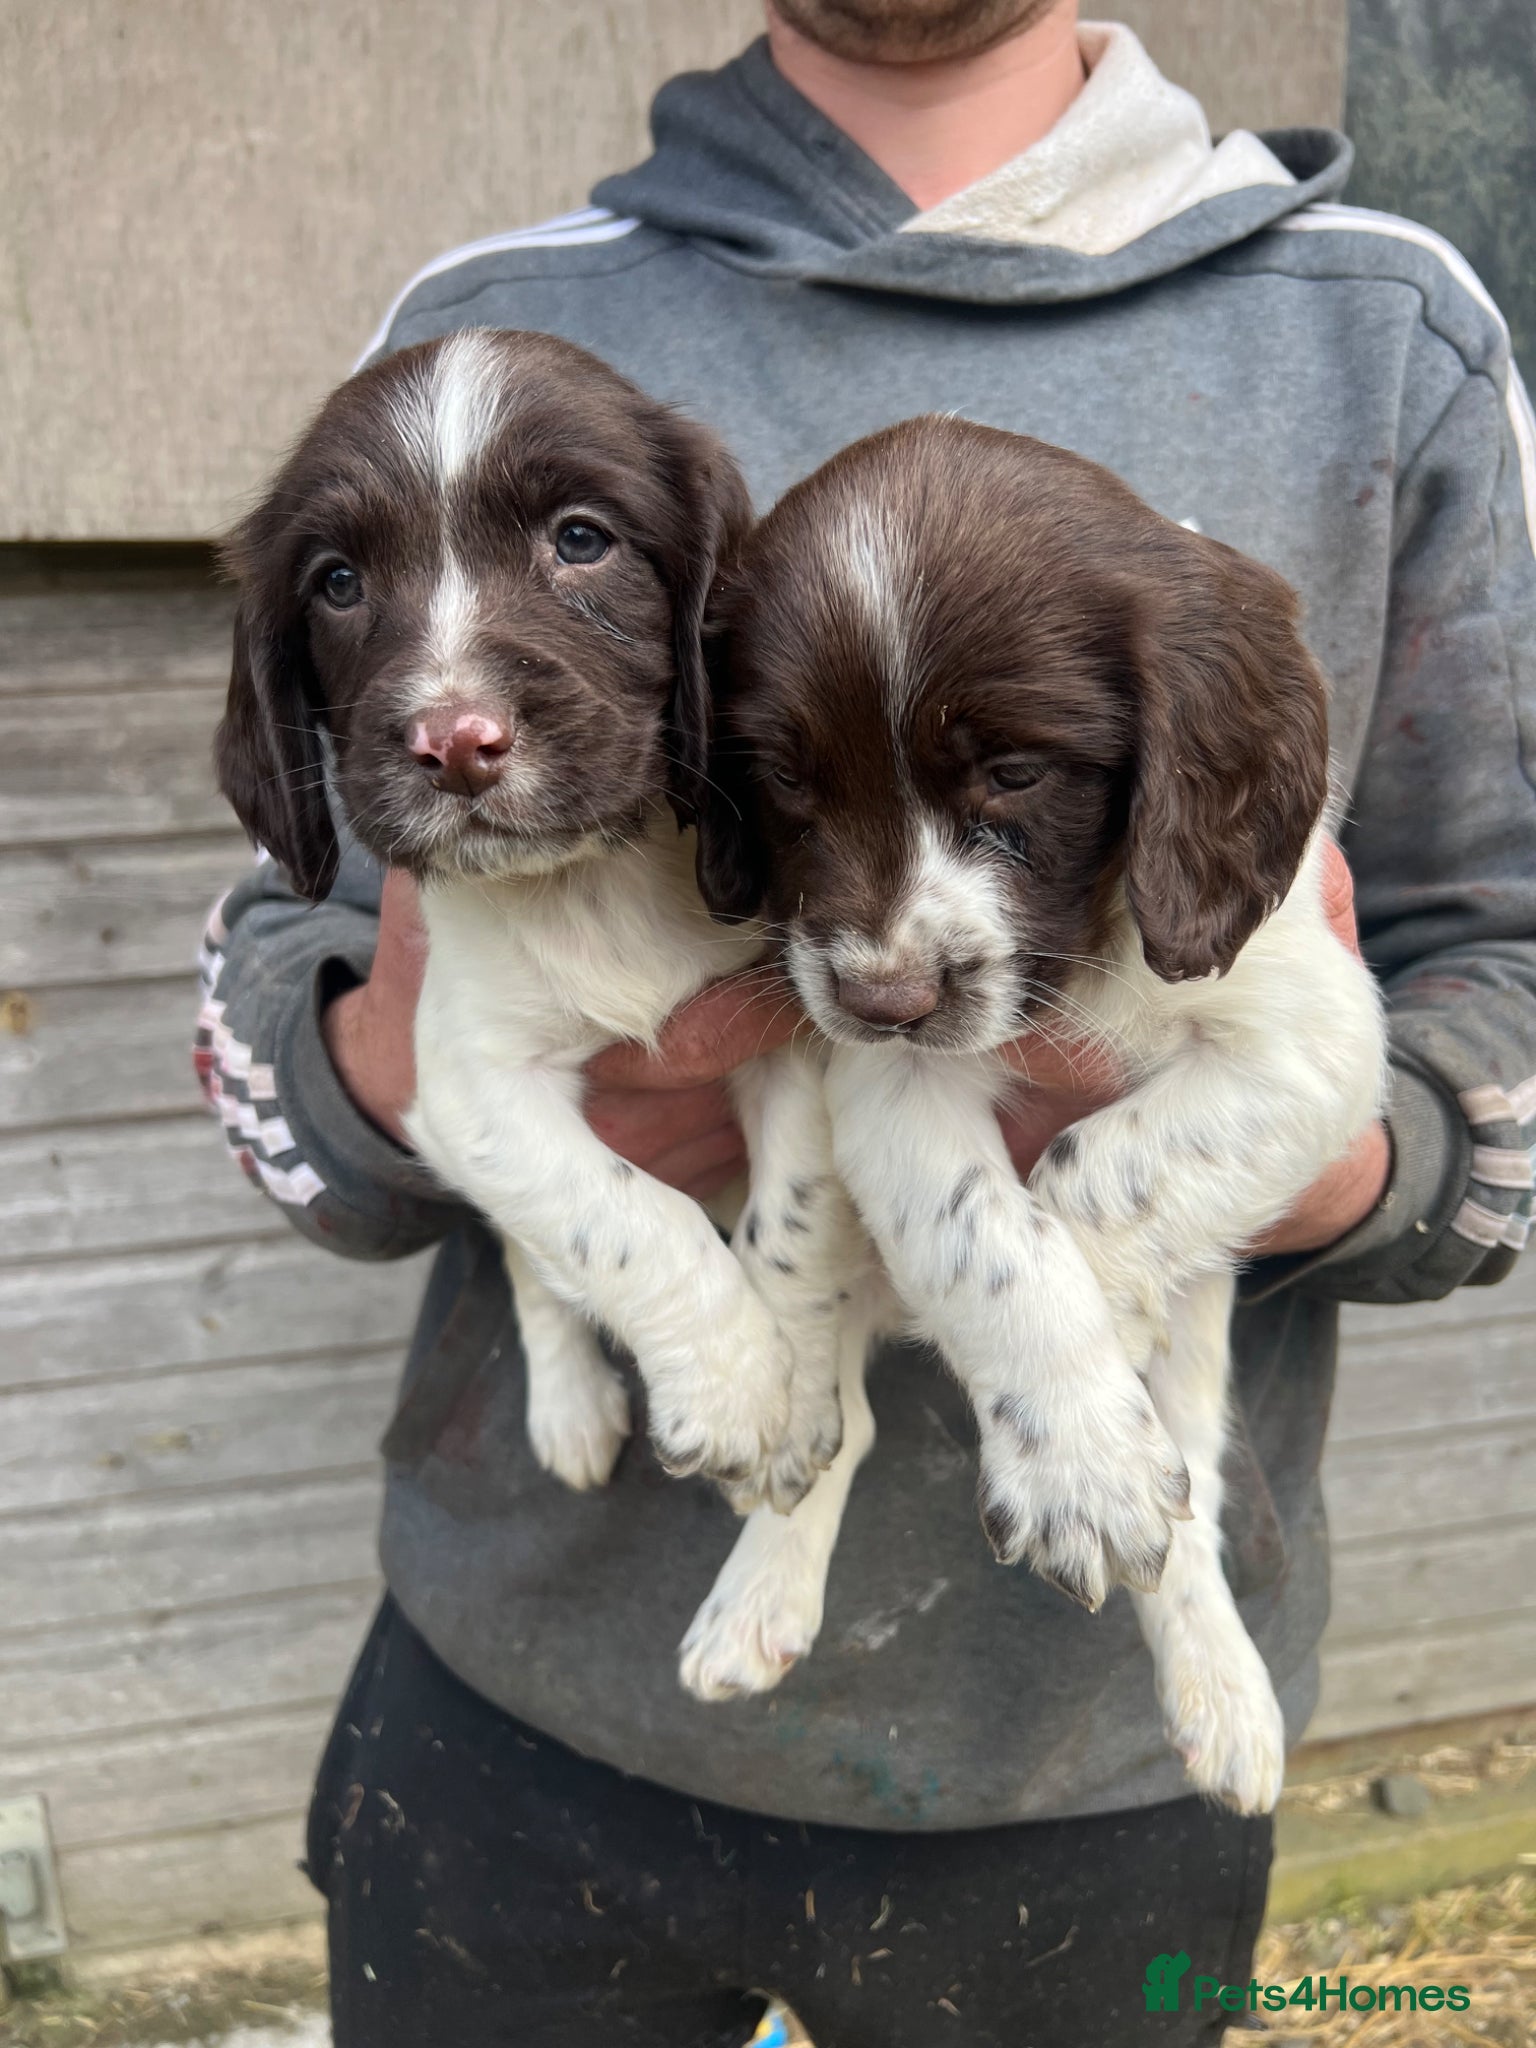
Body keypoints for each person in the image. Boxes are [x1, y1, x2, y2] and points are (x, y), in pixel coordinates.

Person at [196, 4, 1536, 2042]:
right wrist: (375, 1082)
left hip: (1091, 1757)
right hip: (518, 1709)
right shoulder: (496, 313)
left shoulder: (1388, 335)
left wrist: (1327, 1146)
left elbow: (1500, 958)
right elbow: (305, 939)